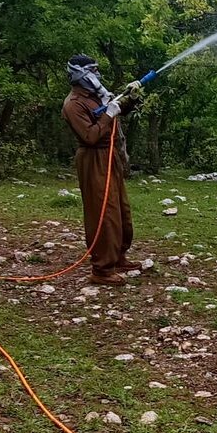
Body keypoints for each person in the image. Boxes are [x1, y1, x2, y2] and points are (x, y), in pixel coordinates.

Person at [61, 55, 143, 286]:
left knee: (120, 211)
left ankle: (118, 256)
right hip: (93, 159)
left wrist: (130, 97)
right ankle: (101, 269)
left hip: (110, 157)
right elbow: (90, 136)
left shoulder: (96, 97)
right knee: (103, 213)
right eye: (93, 71)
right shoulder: (73, 104)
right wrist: (109, 113)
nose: (98, 75)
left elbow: (117, 110)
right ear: (81, 74)